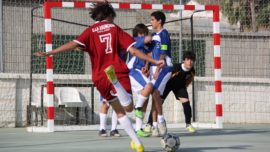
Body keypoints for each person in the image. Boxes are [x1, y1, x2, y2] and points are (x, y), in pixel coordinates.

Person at [35, 1, 164, 152]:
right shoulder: (114, 28)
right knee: (128, 108)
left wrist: (51, 52)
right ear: (109, 16)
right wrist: (154, 60)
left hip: (99, 76)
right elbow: (134, 51)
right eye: (113, 18)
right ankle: (115, 83)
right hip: (116, 71)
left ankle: (138, 144)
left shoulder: (90, 31)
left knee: (118, 110)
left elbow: (73, 44)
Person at [145, 51, 197, 133]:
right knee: (158, 103)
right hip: (167, 85)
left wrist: (183, 90)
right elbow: (165, 74)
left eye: (192, 60)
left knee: (186, 102)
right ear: (184, 60)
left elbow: (188, 81)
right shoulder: (175, 67)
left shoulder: (192, 71)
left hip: (179, 87)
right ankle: (149, 124)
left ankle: (188, 124)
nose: (190, 62)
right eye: (187, 60)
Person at [148, 11, 172, 137]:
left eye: (152, 19)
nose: (151, 22)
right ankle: (154, 126)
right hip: (153, 68)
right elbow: (150, 54)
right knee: (154, 96)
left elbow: (163, 52)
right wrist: (146, 67)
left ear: (159, 21)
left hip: (164, 68)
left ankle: (161, 121)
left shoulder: (164, 33)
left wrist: (157, 69)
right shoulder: (153, 35)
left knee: (155, 92)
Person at [127, 23, 153, 137]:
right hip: (133, 71)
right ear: (138, 34)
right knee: (149, 86)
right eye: (143, 33)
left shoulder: (145, 45)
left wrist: (146, 66)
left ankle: (138, 129)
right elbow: (148, 38)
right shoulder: (134, 40)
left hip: (140, 72)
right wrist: (156, 32)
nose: (145, 35)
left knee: (144, 99)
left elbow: (147, 56)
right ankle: (137, 108)